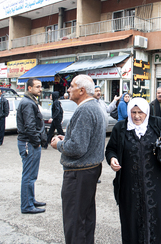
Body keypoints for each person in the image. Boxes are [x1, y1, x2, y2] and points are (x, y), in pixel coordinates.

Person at [106, 97, 161, 244]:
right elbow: (111, 149)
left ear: (147, 111)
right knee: (132, 221)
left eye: (140, 112)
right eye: (133, 112)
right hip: (130, 187)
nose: (136, 116)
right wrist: (112, 159)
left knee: (159, 220)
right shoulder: (120, 128)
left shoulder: (157, 123)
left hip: (156, 185)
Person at [50, 75, 105, 244]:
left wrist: (59, 144)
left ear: (81, 91)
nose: (68, 89)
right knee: (85, 218)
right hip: (89, 170)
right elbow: (84, 139)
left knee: (74, 221)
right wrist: (66, 138)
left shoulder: (85, 109)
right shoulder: (94, 107)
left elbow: (77, 148)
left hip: (79, 173)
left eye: (71, 86)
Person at [16, 78, 47, 214]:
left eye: (41, 87)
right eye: (37, 87)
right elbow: (29, 126)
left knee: (31, 175)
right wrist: (37, 142)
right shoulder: (28, 103)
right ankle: (27, 205)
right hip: (29, 143)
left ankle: (30, 200)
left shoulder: (30, 101)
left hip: (29, 142)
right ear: (29, 88)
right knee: (29, 175)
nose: (40, 89)